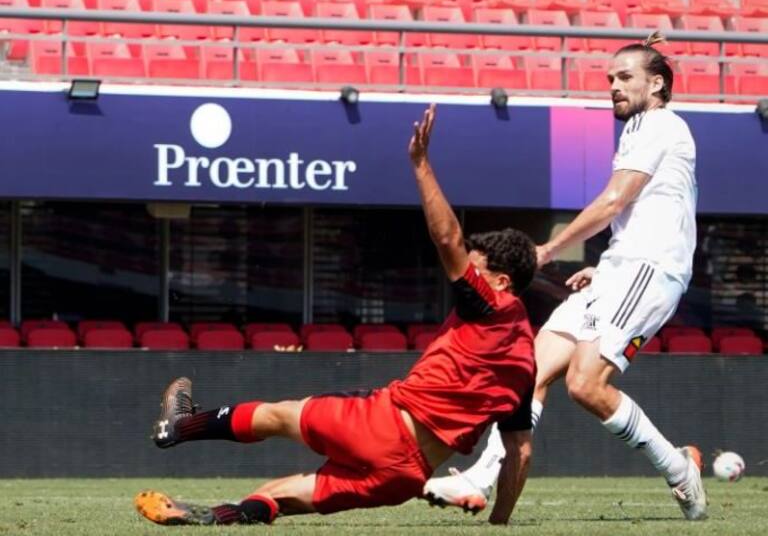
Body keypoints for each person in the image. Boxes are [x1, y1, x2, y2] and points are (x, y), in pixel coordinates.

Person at [134, 103, 539, 527]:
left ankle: (180, 427)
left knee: (278, 414)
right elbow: (521, 450)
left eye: (477, 268)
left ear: (502, 282)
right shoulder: (524, 364)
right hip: (405, 477)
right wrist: (500, 523)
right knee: (281, 497)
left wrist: (420, 166)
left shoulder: (491, 307)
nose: (467, 273)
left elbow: (446, 237)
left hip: (380, 428)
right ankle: (219, 516)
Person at [424, 32, 707, 523]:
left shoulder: (659, 126)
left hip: (649, 269)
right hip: (623, 266)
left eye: (625, 77)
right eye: (609, 79)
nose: (613, 87)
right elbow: (645, 209)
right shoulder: (641, 127)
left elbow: (616, 200)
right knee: (527, 372)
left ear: (657, 84)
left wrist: (550, 248)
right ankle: (480, 477)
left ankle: (679, 468)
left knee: (585, 384)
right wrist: (608, 263)